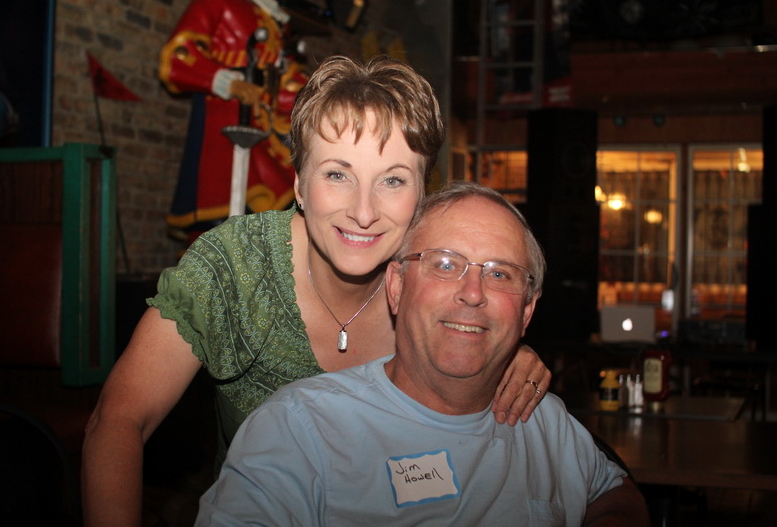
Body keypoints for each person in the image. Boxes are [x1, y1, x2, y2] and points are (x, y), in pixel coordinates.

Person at [82, 56, 552, 526]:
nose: (363, 212)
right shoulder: (234, 267)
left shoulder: (431, 278)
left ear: (421, 197)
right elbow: (119, 420)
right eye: (336, 174)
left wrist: (504, 352)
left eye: (392, 180)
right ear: (299, 185)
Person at [196, 181, 649, 526]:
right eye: (446, 264)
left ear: (527, 311)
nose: (473, 293)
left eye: (500, 274)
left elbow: (619, 495)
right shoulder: (299, 430)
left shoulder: (545, 420)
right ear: (396, 287)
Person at [159, 0, 303, 245]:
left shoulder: (275, 18)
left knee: (282, 203)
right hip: (225, 121)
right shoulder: (217, 0)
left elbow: (283, 82)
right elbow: (179, 55)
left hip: (265, 126)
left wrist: (319, 96)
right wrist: (226, 81)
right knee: (218, 210)